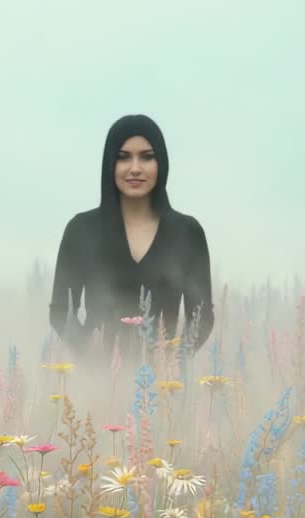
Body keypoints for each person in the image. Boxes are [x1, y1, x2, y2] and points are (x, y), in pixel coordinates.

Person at [48, 114, 215, 368]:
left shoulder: (188, 233)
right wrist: (90, 357)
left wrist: (172, 361)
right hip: (96, 385)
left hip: (164, 387)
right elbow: (60, 311)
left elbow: (202, 316)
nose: (135, 168)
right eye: (123, 157)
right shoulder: (81, 230)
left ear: (162, 163)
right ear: (108, 164)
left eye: (147, 157)